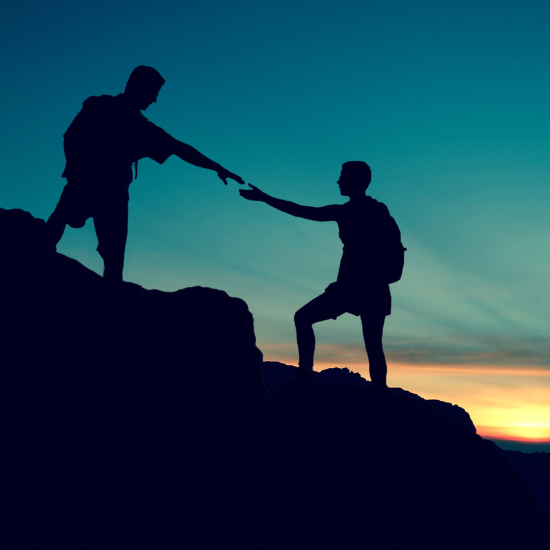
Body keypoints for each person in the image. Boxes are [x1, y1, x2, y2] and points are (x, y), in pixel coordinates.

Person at [46, 65, 244, 283]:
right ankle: (35, 266)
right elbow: (71, 138)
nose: (155, 100)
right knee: (55, 229)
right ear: (137, 87)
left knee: (114, 259)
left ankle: (110, 302)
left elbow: (180, 149)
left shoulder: (142, 128)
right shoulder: (99, 106)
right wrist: (74, 169)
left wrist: (217, 167)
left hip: (114, 194)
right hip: (86, 181)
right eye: (153, 93)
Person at [240, 161, 404, 388]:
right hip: (357, 287)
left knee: (370, 343)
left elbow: (390, 249)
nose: (338, 182)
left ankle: (370, 391)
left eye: (343, 177)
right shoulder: (347, 211)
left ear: (357, 181)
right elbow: (302, 211)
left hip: (367, 287)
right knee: (369, 342)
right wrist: (265, 198)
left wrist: (264, 198)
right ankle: (372, 391)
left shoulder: (370, 212)